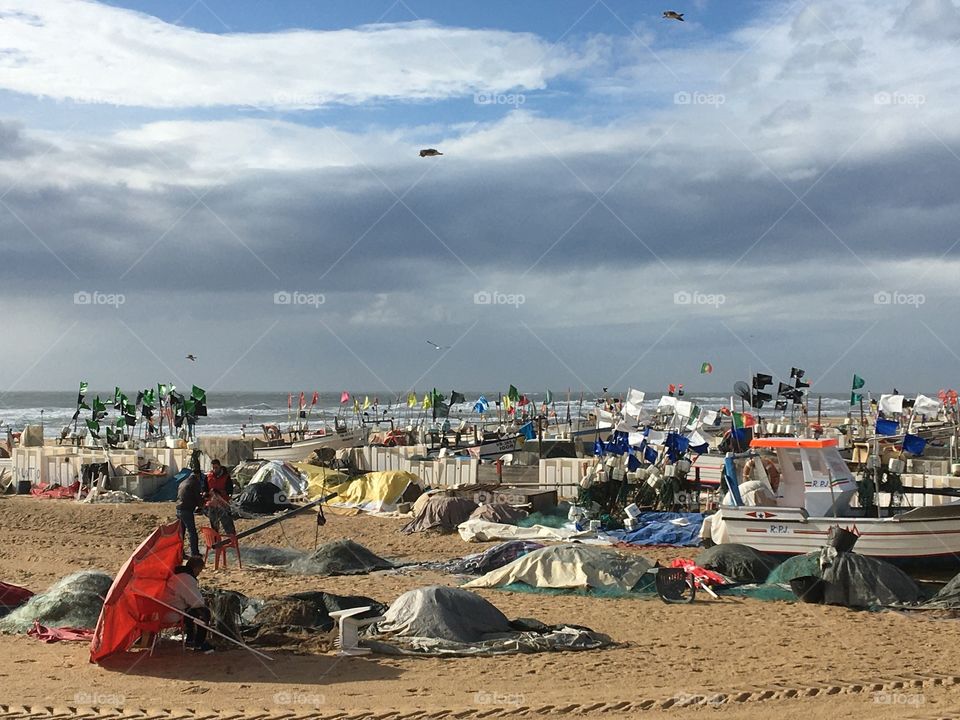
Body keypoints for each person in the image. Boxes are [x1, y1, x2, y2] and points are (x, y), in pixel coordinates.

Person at [160, 556, 214, 653]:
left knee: (191, 611)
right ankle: (199, 643)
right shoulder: (186, 579)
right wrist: (204, 600)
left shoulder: (177, 575)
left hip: (163, 610)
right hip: (171, 613)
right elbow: (197, 603)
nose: (198, 574)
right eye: (199, 571)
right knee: (203, 612)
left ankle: (190, 639)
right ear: (196, 568)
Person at [205, 459, 236, 536]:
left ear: (220, 466)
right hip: (212, 505)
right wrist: (205, 493)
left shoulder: (226, 477)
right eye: (213, 468)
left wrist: (220, 492)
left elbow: (229, 490)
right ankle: (216, 542)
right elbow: (204, 488)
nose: (215, 470)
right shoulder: (209, 476)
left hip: (223, 504)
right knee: (214, 526)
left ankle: (232, 540)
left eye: (216, 467)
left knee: (228, 524)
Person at [176, 471, 202, 557]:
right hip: (186, 509)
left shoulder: (183, 482)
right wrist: (201, 505)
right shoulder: (194, 483)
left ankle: (180, 553)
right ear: (197, 476)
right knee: (192, 532)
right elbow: (197, 497)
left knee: (181, 533)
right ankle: (194, 553)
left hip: (179, 508)